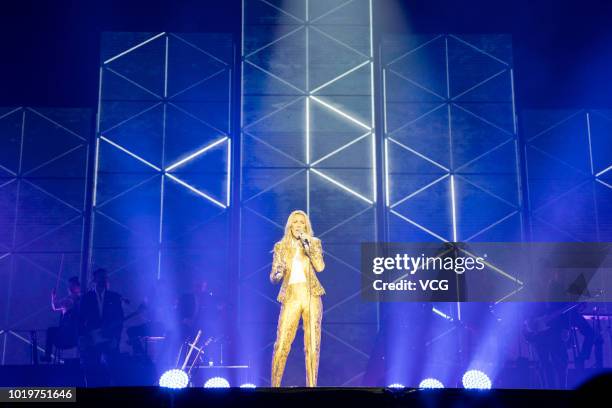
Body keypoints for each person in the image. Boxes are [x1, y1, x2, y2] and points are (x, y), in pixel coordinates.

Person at [270, 210, 325, 387]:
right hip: (291, 296)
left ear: (306, 226)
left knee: (312, 345)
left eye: (302, 222)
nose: (298, 225)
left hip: (311, 296)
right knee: (281, 344)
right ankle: (274, 387)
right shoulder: (281, 246)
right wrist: (277, 273)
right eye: (295, 222)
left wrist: (308, 247)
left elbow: (320, 267)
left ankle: (312, 387)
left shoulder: (314, 242)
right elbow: (273, 277)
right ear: (290, 226)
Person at [79, 268, 124, 386]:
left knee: (113, 371)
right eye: (101, 277)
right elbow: (80, 319)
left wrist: (116, 339)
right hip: (92, 339)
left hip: (109, 338)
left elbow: (120, 320)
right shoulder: (86, 297)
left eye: (105, 277)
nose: (103, 280)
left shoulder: (114, 297)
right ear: (95, 279)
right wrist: (84, 337)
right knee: (92, 371)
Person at [41, 276, 81, 362]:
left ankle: (47, 356)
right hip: (76, 335)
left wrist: (53, 297)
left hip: (66, 335)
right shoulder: (80, 300)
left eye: (71, 286)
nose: (70, 288)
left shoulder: (69, 301)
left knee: (51, 331)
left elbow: (55, 307)